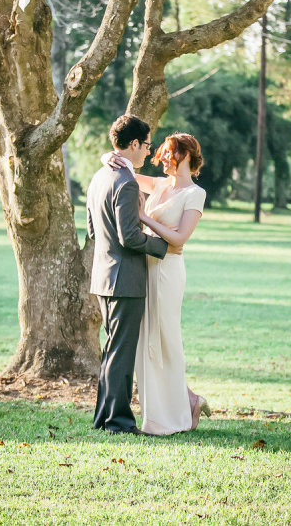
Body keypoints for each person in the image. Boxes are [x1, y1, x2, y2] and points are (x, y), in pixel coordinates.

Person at [105, 132, 210, 435]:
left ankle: (177, 412)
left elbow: (179, 239)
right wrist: (107, 157)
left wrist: (144, 218)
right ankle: (181, 402)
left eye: (169, 152)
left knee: (165, 340)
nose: (162, 157)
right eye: (161, 152)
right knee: (146, 340)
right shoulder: (159, 184)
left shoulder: (195, 194)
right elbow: (127, 172)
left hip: (168, 273)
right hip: (145, 267)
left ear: (187, 155)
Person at [86, 114, 169, 435]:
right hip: (126, 280)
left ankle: (103, 417)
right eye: (147, 145)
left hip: (104, 276)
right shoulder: (126, 182)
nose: (148, 152)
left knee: (112, 350)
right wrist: (163, 246)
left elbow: (93, 231)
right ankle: (119, 422)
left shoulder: (99, 178)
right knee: (121, 352)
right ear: (134, 144)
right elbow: (130, 237)